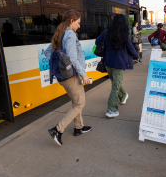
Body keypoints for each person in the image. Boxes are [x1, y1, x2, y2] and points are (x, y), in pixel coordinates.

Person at [45, 9, 92, 146]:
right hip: (71, 77)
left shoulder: (60, 33)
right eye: (78, 23)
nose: (79, 26)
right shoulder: (70, 34)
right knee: (79, 104)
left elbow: (49, 52)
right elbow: (72, 58)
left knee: (75, 102)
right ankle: (57, 130)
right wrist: (84, 75)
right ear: (71, 21)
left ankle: (79, 127)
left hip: (63, 76)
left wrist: (60, 63)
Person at [95, 14, 139, 118]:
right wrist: (137, 56)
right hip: (120, 63)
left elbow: (97, 41)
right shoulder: (124, 35)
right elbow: (131, 47)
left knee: (115, 84)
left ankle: (123, 96)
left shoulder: (106, 32)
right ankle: (112, 109)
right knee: (115, 86)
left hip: (108, 63)